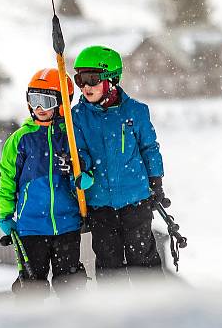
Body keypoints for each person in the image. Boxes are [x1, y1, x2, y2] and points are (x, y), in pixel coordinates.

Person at [71, 45, 169, 282]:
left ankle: (156, 305)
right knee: (108, 262)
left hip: (135, 200)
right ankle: (114, 310)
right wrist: (82, 167)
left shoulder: (136, 112)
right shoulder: (77, 117)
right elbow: (79, 151)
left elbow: (149, 148)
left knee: (143, 257)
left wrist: (156, 182)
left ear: (111, 79)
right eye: (79, 80)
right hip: (100, 203)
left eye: (91, 79)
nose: (85, 86)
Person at [0, 68, 91, 298]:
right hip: (31, 226)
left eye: (46, 101)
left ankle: (72, 323)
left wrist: (82, 176)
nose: (38, 108)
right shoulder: (21, 139)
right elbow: (7, 178)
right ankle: (31, 326)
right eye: (34, 100)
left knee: (69, 283)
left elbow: (85, 164)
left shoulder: (70, 136)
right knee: (32, 286)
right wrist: (5, 215)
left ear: (62, 103)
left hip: (67, 224)